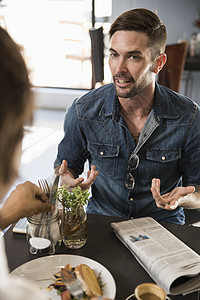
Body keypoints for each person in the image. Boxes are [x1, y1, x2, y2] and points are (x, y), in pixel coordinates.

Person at [54, 8, 200, 225]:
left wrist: (185, 197)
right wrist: (65, 181)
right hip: (103, 224)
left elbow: (198, 190)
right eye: (114, 54)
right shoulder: (83, 111)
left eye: (133, 56)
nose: (119, 69)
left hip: (163, 226)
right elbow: (65, 169)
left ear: (158, 63)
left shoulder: (189, 117)